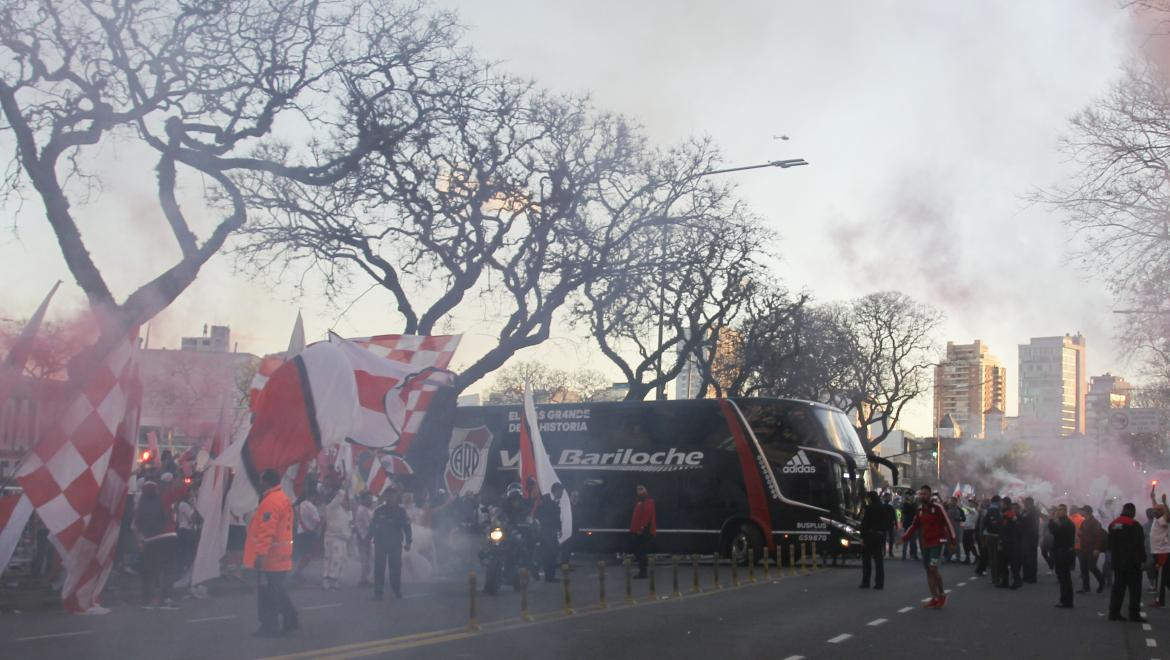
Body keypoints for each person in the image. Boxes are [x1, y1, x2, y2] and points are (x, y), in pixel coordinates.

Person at [244, 469, 298, 637]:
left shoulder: (270, 502)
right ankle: (290, 619)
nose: (259, 484)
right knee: (277, 590)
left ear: (266, 482)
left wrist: (260, 554)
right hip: (281, 553)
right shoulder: (283, 499)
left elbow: (267, 530)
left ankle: (270, 625)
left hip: (271, 556)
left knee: (269, 593)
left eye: (261, 481)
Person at [902, 485, 957, 608]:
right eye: (921, 494)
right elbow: (914, 525)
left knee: (933, 568)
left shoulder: (938, 508)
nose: (922, 496)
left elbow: (949, 524)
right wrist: (903, 538)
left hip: (938, 542)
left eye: (925, 494)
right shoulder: (920, 509)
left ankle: (942, 595)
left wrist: (953, 541)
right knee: (928, 570)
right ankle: (934, 597)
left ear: (930, 495)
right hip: (925, 543)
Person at [135, 481, 179, 610]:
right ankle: (165, 600)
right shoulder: (163, 498)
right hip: (168, 537)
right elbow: (178, 490)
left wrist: (141, 541)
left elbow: (137, 525)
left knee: (149, 572)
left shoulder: (141, 506)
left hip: (150, 541)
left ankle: (147, 601)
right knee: (168, 569)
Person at [370, 488, 412, 600]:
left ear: (395, 497)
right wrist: (368, 539)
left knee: (396, 569)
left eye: (392, 496)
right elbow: (372, 526)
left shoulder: (401, 511)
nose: (390, 498)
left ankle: (397, 590)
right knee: (379, 569)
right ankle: (378, 593)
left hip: (395, 544)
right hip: (380, 544)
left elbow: (407, 527)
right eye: (387, 496)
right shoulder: (379, 511)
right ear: (384, 497)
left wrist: (409, 542)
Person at [1107, 502, 1146, 622]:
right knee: (1135, 590)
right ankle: (1134, 615)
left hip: (1117, 562)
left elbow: (1109, 543)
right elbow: (1139, 545)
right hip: (1132, 563)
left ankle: (1114, 613)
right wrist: (1143, 560)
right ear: (1133, 512)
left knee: (1118, 588)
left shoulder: (1113, 524)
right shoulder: (1135, 525)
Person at [322, 490, 352, 590]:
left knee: (340, 559)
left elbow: (348, 526)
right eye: (344, 499)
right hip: (332, 538)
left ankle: (334, 579)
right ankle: (327, 580)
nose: (345, 501)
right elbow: (339, 497)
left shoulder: (346, 512)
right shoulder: (331, 508)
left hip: (342, 539)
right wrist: (344, 488)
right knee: (331, 559)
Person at [536, 482, 566, 582]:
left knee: (552, 554)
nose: (562, 493)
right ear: (556, 491)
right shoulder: (546, 500)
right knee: (549, 554)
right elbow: (540, 514)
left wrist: (559, 528)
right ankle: (548, 576)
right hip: (546, 532)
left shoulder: (555, 501)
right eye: (561, 491)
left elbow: (557, 518)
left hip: (552, 532)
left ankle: (549, 575)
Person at [1049, 504, 1076, 608]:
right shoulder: (1065, 522)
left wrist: (1051, 521)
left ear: (1065, 511)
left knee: (1064, 578)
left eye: (1060, 510)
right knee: (1064, 577)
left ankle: (1066, 601)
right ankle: (1066, 600)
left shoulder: (1066, 523)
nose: (1057, 512)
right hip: (1063, 551)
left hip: (1063, 552)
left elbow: (1055, 532)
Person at [292, 487, 322, 581]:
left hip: (300, 532)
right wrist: (316, 533)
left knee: (304, 554)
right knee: (307, 555)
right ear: (314, 497)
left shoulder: (299, 505)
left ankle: (298, 572)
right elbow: (317, 521)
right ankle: (297, 573)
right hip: (309, 534)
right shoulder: (311, 506)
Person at [859, 491, 886, 589]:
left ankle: (866, 582)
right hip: (880, 535)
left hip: (869, 536)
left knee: (866, 560)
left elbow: (864, 523)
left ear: (870, 498)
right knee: (879, 560)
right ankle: (879, 583)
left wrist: (862, 537)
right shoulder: (882, 507)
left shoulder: (869, 508)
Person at [1077, 506, 1106, 594]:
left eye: (1082, 510)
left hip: (1092, 548)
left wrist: (1097, 548)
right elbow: (1081, 533)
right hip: (1084, 548)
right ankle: (1086, 587)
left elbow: (1099, 536)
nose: (1081, 512)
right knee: (1084, 568)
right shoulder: (1084, 522)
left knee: (1092, 567)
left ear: (1087, 511)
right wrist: (1079, 534)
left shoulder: (1094, 522)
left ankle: (1101, 582)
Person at [629, 484, 656, 579]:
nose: (639, 491)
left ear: (646, 490)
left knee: (641, 552)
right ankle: (642, 571)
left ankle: (643, 572)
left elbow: (646, 516)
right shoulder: (639, 501)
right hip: (639, 531)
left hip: (644, 532)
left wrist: (641, 528)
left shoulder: (648, 501)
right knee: (639, 551)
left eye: (641, 489)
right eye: (638, 489)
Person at [1149, 486, 1170, 607]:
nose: (1154, 511)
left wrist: (1165, 503)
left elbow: (1167, 515)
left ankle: (1159, 600)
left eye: (1156, 510)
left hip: (1163, 552)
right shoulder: (1157, 518)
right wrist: (1153, 497)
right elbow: (1157, 508)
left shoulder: (1163, 520)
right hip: (1158, 552)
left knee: (1161, 579)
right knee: (1164, 579)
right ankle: (1159, 599)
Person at [996, 498, 1022, 589]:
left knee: (1012, 563)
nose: (1001, 504)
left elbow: (1007, 528)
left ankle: (1016, 581)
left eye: (1002, 503)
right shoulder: (1005, 513)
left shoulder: (1009, 513)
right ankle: (1005, 581)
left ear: (1006, 504)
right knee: (1003, 563)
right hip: (1006, 540)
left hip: (1009, 541)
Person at [976, 495, 1002, 580]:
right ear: (997, 502)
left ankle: (982, 569)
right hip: (993, 536)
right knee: (993, 557)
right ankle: (995, 576)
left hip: (987, 535)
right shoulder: (994, 510)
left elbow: (983, 524)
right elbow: (990, 524)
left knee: (987, 554)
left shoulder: (987, 510)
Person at [353, 492, 374, 586]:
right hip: (364, 538)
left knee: (367, 559)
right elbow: (369, 525)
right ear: (363, 499)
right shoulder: (363, 510)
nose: (371, 500)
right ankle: (363, 579)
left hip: (366, 537)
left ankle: (364, 578)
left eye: (371, 498)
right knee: (365, 559)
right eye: (369, 498)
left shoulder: (365, 509)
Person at [1020, 497, 1040, 582]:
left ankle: (1032, 576)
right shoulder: (1026, 510)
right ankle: (1026, 575)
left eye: (1026, 502)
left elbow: (1032, 523)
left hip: (1031, 536)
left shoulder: (1034, 511)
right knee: (1025, 556)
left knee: (1031, 557)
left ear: (1030, 503)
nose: (1024, 504)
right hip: (1025, 536)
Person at [960, 497, 979, 565]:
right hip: (965, 530)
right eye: (969, 501)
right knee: (965, 544)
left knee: (971, 545)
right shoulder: (967, 511)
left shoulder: (974, 511)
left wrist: (962, 504)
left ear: (975, 504)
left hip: (971, 530)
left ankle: (977, 557)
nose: (970, 503)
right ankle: (967, 558)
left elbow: (968, 509)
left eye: (971, 502)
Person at [900, 495, 919, 561]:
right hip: (909, 525)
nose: (912, 498)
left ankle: (912, 555)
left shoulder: (910, 505)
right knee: (908, 541)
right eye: (911, 497)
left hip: (911, 525)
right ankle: (907, 555)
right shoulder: (907, 505)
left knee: (912, 542)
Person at [882, 492, 897, 558]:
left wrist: (896, 524)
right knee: (885, 538)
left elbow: (894, 516)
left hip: (889, 524)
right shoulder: (885, 507)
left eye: (889, 497)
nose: (888, 498)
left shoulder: (889, 507)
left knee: (889, 538)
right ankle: (886, 551)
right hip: (885, 524)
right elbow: (894, 516)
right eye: (887, 497)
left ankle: (888, 552)